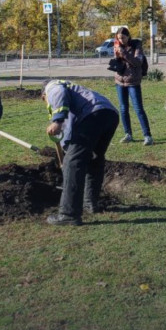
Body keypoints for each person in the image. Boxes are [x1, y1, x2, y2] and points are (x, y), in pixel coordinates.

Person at [43, 79, 120, 226]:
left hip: (92, 116)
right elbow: (70, 128)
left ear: (43, 96)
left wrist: (57, 121)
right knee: (94, 159)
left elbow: (59, 93)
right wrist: (68, 148)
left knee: (72, 163)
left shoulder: (52, 87)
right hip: (109, 114)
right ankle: (90, 203)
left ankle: (68, 214)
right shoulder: (74, 90)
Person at [113, 26, 153, 145]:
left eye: (123, 38)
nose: (121, 40)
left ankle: (147, 136)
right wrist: (116, 56)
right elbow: (117, 62)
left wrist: (124, 53)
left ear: (128, 36)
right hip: (120, 81)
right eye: (119, 38)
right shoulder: (117, 45)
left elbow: (137, 62)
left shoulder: (136, 46)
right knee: (123, 108)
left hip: (133, 82)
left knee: (138, 108)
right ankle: (128, 134)